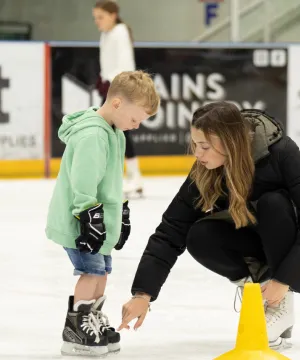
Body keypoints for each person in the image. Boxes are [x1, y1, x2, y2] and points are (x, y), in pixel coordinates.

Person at [118, 101, 300, 352]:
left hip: (294, 252)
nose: (197, 154)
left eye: (204, 146)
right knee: (200, 235)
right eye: (194, 145)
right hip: (259, 244)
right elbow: (171, 229)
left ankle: (280, 299)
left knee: (274, 204)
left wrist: (284, 279)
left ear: (230, 143)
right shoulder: (205, 171)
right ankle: (263, 296)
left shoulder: (281, 152)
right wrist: (143, 294)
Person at [45, 70, 160, 357]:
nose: (135, 126)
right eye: (135, 119)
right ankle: (75, 328)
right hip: (80, 221)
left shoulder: (114, 131)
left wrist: (119, 210)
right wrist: (89, 215)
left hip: (100, 220)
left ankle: (91, 319)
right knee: (90, 272)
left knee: (103, 272)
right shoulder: (93, 133)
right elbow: (83, 180)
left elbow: (111, 179)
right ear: (118, 103)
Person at [93, 0, 143, 197]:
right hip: (113, 89)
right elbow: (108, 63)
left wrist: (111, 84)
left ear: (113, 15)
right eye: (95, 18)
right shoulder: (106, 34)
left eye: (101, 17)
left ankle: (132, 178)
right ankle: (132, 178)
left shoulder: (119, 32)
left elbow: (125, 64)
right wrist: (102, 79)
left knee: (117, 132)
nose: (97, 21)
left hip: (121, 91)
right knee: (114, 132)